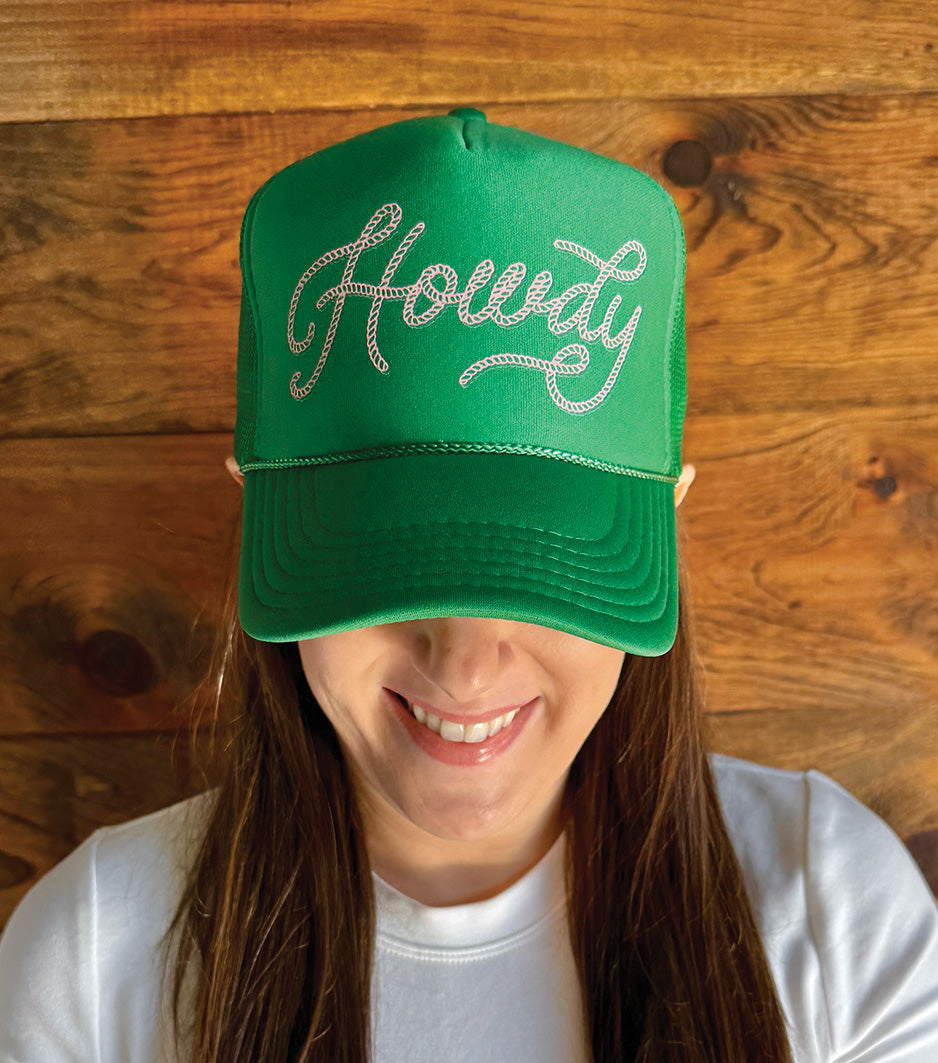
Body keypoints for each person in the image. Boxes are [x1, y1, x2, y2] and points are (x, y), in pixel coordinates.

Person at [1, 107, 936, 1063]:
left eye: (543, 568)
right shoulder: (87, 963)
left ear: (669, 518)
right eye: (383, 562)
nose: (466, 665)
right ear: (258, 516)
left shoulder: (838, 911)